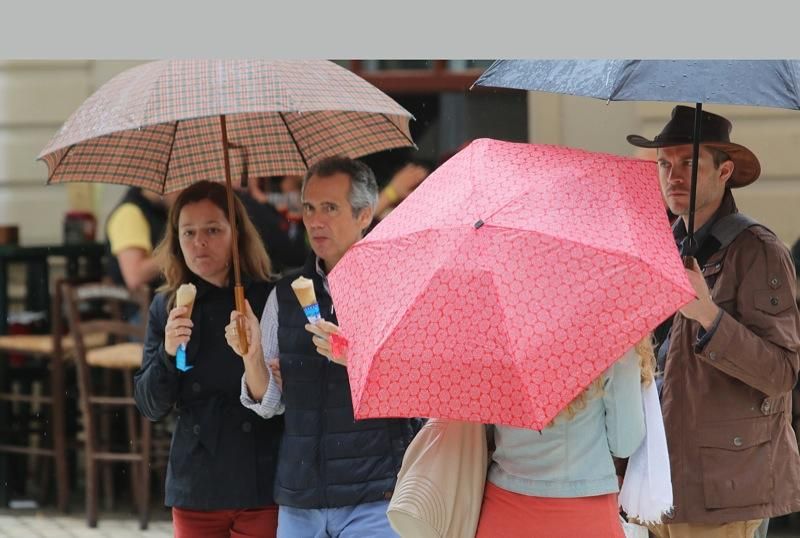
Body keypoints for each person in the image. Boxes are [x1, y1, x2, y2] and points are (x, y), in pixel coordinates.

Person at [627, 105, 800, 537]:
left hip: (723, 488)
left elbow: (782, 372)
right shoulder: (659, 244)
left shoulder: (757, 250)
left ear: (724, 172)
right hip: (657, 478)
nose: (673, 176)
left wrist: (708, 314)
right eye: (665, 164)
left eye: (688, 162)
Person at [226, 157, 418, 538]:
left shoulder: (399, 286)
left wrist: (357, 359)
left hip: (377, 496)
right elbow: (271, 403)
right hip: (301, 496)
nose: (314, 220)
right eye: (309, 207)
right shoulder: (285, 294)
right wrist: (251, 360)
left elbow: (421, 393)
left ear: (365, 215)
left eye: (330, 208)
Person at [134, 181, 283, 538]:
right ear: (175, 240)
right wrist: (169, 352)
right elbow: (150, 405)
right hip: (196, 480)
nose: (199, 242)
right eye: (189, 232)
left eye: (213, 230)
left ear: (237, 234)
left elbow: (280, 398)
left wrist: (253, 355)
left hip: (260, 478)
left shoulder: (268, 297)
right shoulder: (167, 306)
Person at [105, 187, 176, 293]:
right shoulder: (129, 213)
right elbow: (135, 276)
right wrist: (177, 250)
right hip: (138, 304)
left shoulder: (161, 211)